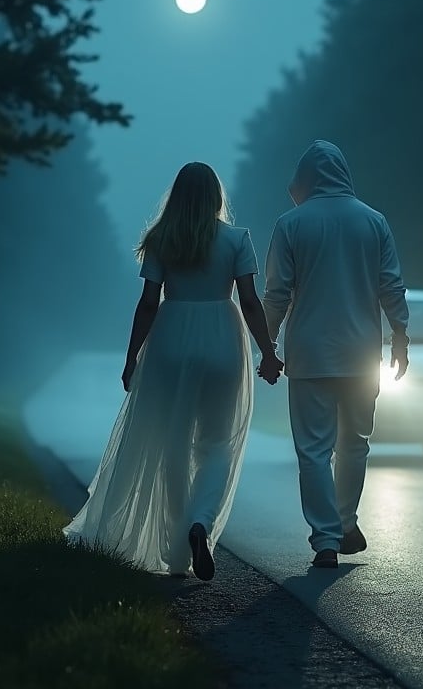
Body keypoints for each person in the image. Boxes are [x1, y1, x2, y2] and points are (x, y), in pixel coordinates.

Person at [63, 162, 283, 581]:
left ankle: (178, 551)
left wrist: (131, 358)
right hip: (222, 337)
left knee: (173, 443)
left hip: (171, 338)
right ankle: (200, 521)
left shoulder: (162, 239)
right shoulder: (237, 239)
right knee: (218, 442)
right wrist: (268, 353)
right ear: (217, 198)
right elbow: (252, 302)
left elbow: (148, 303)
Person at [262, 140, 409, 569]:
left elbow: (277, 295)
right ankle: (346, 521)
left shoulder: (291, 224)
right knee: (355, 444)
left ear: (305, 177)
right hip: (362, 355)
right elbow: (391, 285)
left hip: (309, 355)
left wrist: (267, 347)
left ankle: (325, 538)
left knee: (312, 451)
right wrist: (400, 335)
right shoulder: (373, 221)